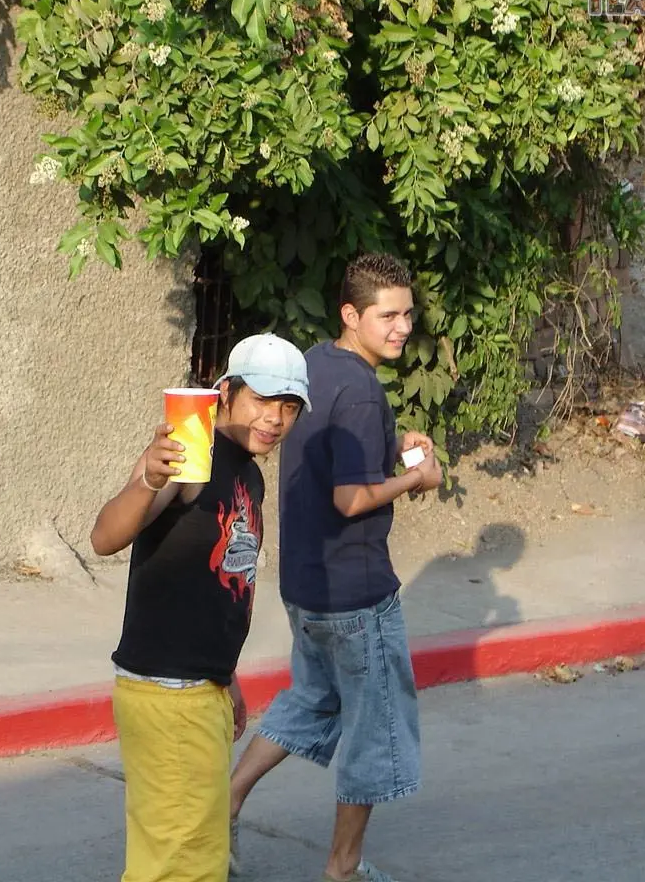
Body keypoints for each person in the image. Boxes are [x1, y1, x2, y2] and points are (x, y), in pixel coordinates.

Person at [228, 254, 443, 882]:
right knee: (374, 732)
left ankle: (226, 801)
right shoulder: (360, 390)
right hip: (356, 591)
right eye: (388, 315)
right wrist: (415, 478)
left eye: (407, 313)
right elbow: (350, 498)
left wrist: (399, 452)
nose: (402, 326)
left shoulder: (315, 365)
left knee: (313, 700)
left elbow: (341, 464)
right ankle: (343, 870)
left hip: (305, 583)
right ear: (352, 314)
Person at [91, 333, 313, 882]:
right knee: (180, 866)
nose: (274, 419)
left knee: (188, 854)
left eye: (288, 407)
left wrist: (227, 677)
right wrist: (148, 476)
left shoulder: (248, 472)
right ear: (227, 393)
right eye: (262, 400)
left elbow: (217, 586)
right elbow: (104, 536)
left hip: (200, 688)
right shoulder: (194, 457)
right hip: (170, 694)